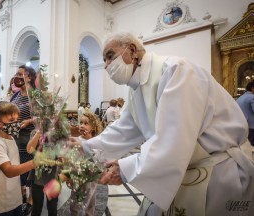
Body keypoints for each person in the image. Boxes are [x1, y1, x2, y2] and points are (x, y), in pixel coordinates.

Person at [70, 32, 254, 215]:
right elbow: (122, 131)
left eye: (110, 56)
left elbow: (174, 139)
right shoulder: (137, 89)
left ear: (132, 50)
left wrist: (126, 169)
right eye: (103, 60)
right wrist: (84, 146)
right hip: (185, 168)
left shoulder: (175, 70)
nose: (106, 65)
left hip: (217, 172)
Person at [0, 101, 35, 215]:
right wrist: (35, 162)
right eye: (11, 121)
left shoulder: (11, 138)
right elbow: (9, 171)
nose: (16, 124)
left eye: (17, 120)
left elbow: (16, 164)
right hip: (1, 201)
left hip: (14, 197)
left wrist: (21, 186)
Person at [10, 65, 37, 215]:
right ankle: (21, 197)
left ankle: (31, 201)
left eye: (20, 74)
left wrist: (29, 121)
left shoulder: (35, 95)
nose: (17, 77)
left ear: (29, 77)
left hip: (30, 139)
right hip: (15, 138)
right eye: (16, 74)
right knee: (18, 169)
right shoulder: (15, 96)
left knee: (30, 171)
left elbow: (43, 116)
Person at [70, 112, 103, 216]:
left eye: (86, 123)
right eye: (81, 122)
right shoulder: (77, 139)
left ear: (93, 127)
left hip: (91, 178)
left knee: (90, 203)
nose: (82, 125)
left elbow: (98, 159)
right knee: (74, 204)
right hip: (78, 177)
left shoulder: (96, 141)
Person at [26, 129, 59, 216]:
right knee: (36, 207)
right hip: (37, 177)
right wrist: (38, 133)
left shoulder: (58, 133)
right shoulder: (35, 132)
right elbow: (29, 149)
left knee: (52, 207)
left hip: (53, 177)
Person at [237, 81, 254, 146]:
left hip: (243, 125)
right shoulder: (252, 97)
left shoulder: (241, 97)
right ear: (252, 88)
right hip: (251, 126)